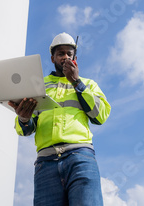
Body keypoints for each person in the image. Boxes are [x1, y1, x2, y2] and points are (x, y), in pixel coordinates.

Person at [8, 32, 111, 206]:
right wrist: (24, 119)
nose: (64, 57)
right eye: (60, 53)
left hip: (80, 157)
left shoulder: (88, 84)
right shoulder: (39, 85)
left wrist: (77, 83)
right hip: (45, 163)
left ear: (75, 58)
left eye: (68, 54)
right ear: (52, 58)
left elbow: (99, 116)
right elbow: (25, 129)